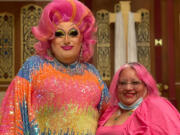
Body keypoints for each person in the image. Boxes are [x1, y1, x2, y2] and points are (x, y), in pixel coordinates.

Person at [0, 0, 109, 134]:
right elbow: (12, 116)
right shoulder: (34, 66)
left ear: (83, 39)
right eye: (59, 34)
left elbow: (108, 116)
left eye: (73, 33)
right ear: (49, 39)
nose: (67, 40)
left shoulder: (93, 73)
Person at [96, 62, 180, 135]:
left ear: (146, 86)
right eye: (122, 83)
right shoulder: (110, 111)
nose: (128, 88)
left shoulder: (157, 106)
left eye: (135, 83)